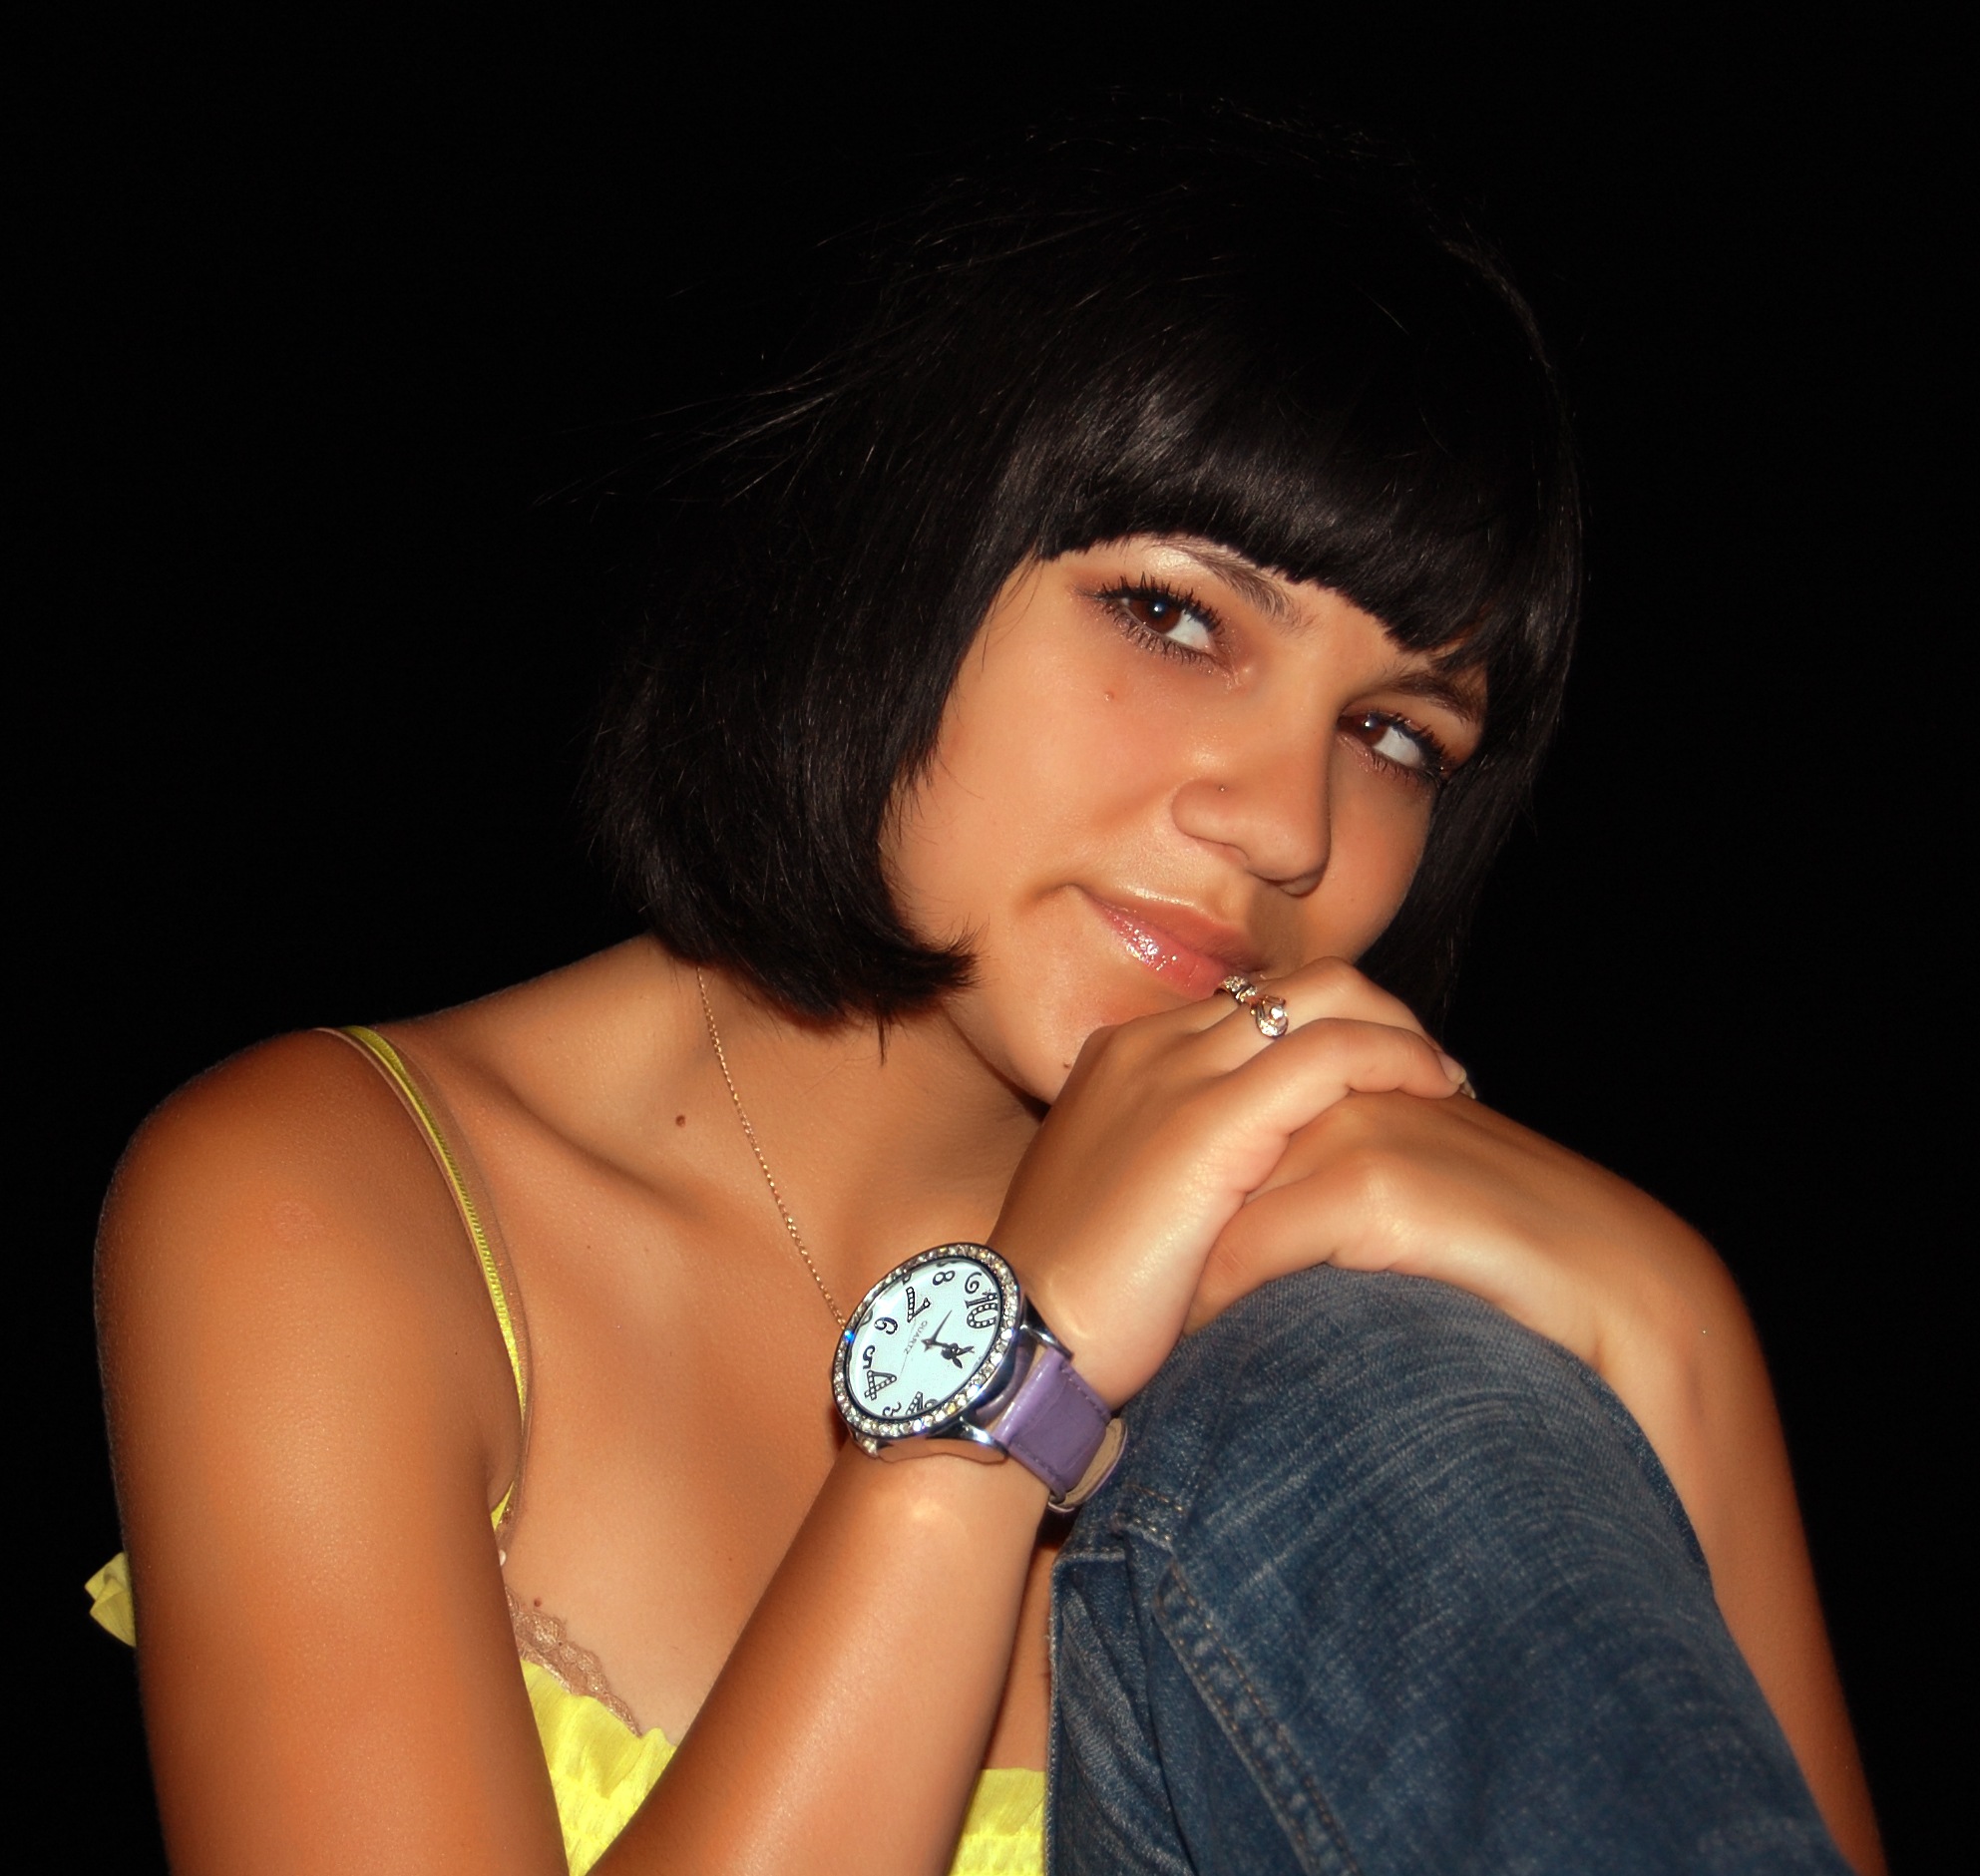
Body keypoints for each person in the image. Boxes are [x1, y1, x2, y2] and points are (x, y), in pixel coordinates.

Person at [89, 110, 1883, 1873]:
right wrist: (1007, 1382)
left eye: (1393, 733)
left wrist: (1677, 1341)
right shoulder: (320, 1207)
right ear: (892, 549)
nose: (1287, 823)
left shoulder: (1340, 1326)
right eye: (1173, 616)